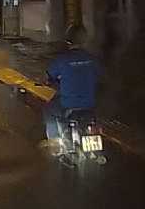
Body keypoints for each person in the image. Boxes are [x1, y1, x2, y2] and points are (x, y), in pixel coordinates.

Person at [41, 25, 101, 153]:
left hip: (67, 104)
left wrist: (48, 81)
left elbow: (48, 76)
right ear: (85, 40)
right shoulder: (92, 58)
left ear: (68, 41)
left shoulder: (62, 59)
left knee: (49, 110)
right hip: (89, 105)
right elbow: (100, 76)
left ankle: (55, 144)